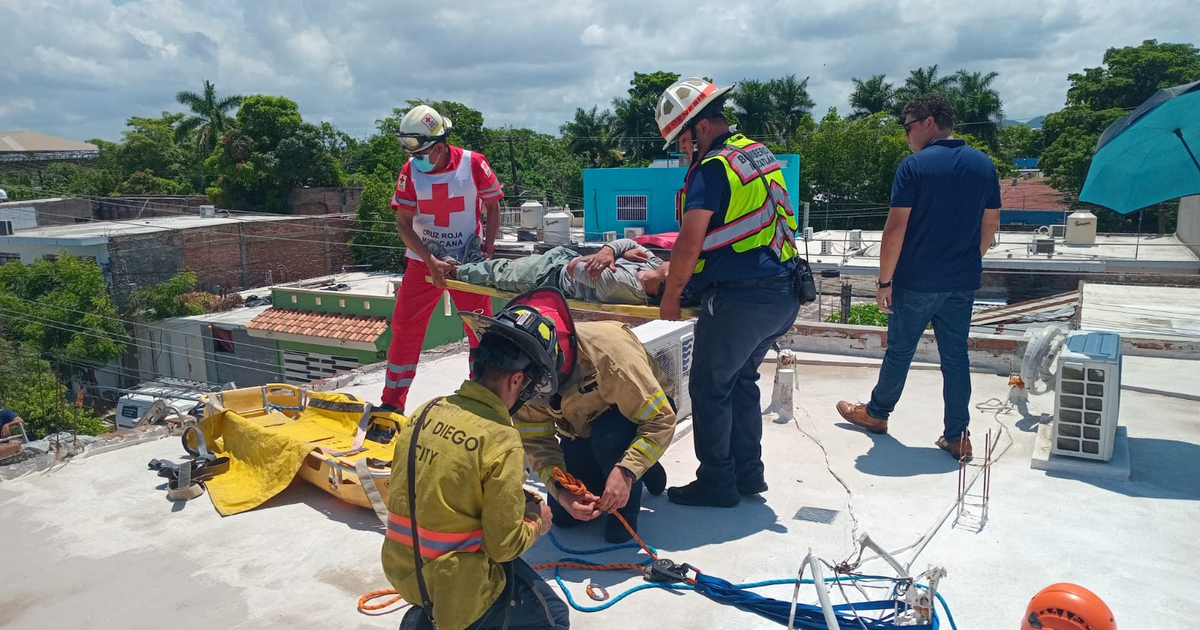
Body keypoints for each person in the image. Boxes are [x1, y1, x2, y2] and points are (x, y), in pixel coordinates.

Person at [651, 77, 804, 508]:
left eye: (681, 140)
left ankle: (718, 481)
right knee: (740, 381)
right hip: (782, 294)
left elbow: (689, 240)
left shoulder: (713, 166)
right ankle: (748, 475)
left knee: (708, 386)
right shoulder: (756, 154)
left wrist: (671, 296)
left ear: (699, 128)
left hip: (741, 299)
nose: (682, 151)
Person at [381, 295, 571, 630]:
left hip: (406, 572)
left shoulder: (424, 412)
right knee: (553, 616)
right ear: (516, 380)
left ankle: (425, 617)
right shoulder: (501, 439)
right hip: (458, 586)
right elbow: (502, 548)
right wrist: (536, 522)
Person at [834, 93, 1001, 462]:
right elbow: (990, 223)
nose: (906, 135)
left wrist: (883, 282)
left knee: (901, 351)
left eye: (908, 126)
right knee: (955, 358)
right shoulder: (983, 165)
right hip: (961, 282)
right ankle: (958, 436)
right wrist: (971, 259)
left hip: (916, 281)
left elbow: (895, 230)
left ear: (928, 123)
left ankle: (876, 415)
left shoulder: (914, 167)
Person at [502, 288, 675, 543]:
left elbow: (660, 419)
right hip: (580, 426)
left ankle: (632, 478)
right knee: (563, 517)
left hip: (634, 418)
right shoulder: (524, 372)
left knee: (609, 440)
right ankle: (644, 466)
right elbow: (537, 442)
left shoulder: (611, 355)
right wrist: (562, 493)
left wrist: (626, 470)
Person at [380, 104, 504, 413]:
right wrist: (430, 260)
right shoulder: (410, 171)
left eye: (422, 152)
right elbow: (404, 225)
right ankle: (392, 404)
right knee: (405, 331)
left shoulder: (473, 164)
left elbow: (493, 208)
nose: (416, 158)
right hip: (423, 264)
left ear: (439, 146)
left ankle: (482, 403)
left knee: (480, 332)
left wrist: (486, 254)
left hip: (466, 266)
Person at [445, 238, 677, 305]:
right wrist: (609, 251)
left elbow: (575, 268)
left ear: (668, 278)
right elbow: (631, 242)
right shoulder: (653, 266)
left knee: (499, 273)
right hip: (561, 259)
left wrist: (612, 253)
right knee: (503, 265)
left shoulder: (624, 286)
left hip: (548, 277)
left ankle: (453, 269)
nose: (671, 258)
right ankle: (472, 261)